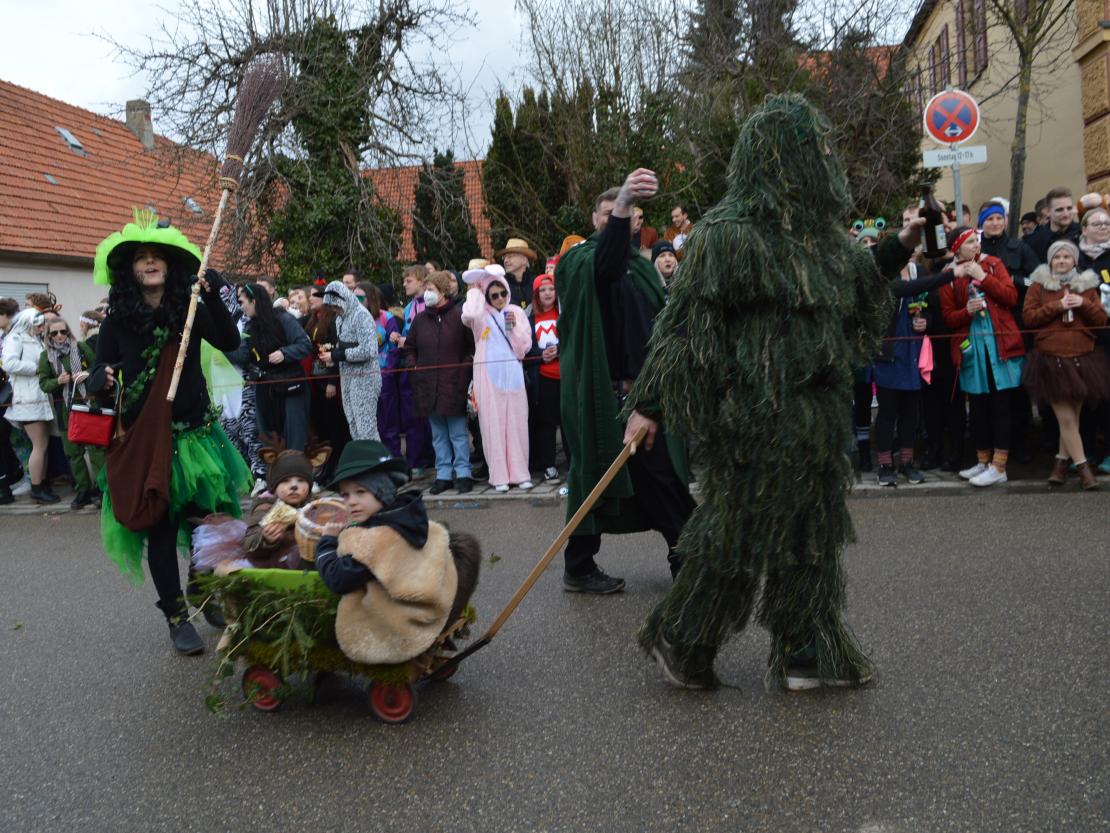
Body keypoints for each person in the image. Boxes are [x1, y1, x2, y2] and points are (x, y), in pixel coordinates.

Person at [627, 94, 923, 691]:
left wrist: (900, 246)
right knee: (739, 534)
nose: (827, 159)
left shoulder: (823, 239)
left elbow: (853, 290)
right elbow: (685, 328)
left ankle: (803, 647)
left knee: (811, 536)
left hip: (817, 415)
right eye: (814, 149)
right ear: (780, 159)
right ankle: (683, 637)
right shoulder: (726, 235)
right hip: (753, 416)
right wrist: (649, 406)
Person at [87, 211, 250, 655]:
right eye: (141, 258)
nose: (150, 262)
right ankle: (176, 615)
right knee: (160, 532)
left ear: (170, 266)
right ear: (131, 272)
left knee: (206, 525)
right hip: (147, 440)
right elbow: (97, 371)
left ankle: (202, 591)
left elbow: (231, 343)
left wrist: (214, 293)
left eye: (157, 256)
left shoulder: (190, 308)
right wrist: (100, 378)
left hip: (195, 435)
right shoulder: (117, 321)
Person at [557, 175, 697, 594]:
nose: (619, 220)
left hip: (645, 394)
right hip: (605, 398)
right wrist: (621, 202)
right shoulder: (581, 262)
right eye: (611, 213)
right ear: (597, 218)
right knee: (594, 481)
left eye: (630, 215)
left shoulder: (642, 267)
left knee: (660, 479)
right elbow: (606, 262)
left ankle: (685, 561)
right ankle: (581, 567)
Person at [315, 440, 482, 665]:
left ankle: (385, 642)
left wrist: (326, 543)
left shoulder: (377, 540)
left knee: (347, 591)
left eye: (360, 492)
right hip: (426, 603)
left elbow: (337, 579)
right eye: (345, 495)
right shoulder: (405, 514)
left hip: (401, 624)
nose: (351, 502)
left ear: (381, 491)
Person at [939, 227, 1026, 488]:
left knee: (1000, 406)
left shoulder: (993, 264)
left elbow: (1011, 297)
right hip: (970, 348)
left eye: (976, 241)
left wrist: (983, 278)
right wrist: (966, 311)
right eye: (969, 243)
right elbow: (948, 318)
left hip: (1000, 344)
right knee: (977, 408)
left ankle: (999, 467)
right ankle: (982, 460)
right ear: (957, 248)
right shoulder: (948, 275)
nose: (976, 246)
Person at [1022, 240, 1110, 489]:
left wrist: (1083, 304)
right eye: (1057, 257)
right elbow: (1029, 318)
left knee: (1074, 416)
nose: (1061, 261)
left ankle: (1060, 464)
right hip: (1051, 359)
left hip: (1084, 357)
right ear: (1050, 261)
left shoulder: (1087, 286)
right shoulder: (1038, 285)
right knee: (1067, 419)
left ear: (1074, 260)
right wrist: (1056, 306)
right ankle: (1084, 470)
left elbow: (1101, 320)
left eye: (1066, 257)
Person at [872, 252, 955, 486]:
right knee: (887, 411)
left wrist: (925, 320)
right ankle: (885, 465)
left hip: (915, 350)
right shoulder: (883, 272)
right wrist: (949, 275)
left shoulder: (920, 270)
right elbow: (900, 292)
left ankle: (907, 463)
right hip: (889, 350)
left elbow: (930, 303)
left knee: (911, 411)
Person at [977, 200, 1041, 463]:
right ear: (981, 224)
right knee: (991, 394)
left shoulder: (1019, 247)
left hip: (1015, 326)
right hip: (985, 328)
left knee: (1017, 391)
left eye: (999, 219)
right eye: (989, 219)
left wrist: (1012, 281)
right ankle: (991, 445)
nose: (995, 223)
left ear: (1005, 221)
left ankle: (1020, 444)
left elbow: (1038, 280)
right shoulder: (975, 250)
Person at [401, 270, 474, 494]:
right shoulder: (421, 319)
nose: (427, 294)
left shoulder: (459, 316)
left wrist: (463, 371)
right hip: (427, 385)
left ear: (442, 292)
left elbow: (470, 349)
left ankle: (463, 473)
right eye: (427, 289)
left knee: (458, 433)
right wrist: (414, 366)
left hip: (454, 384)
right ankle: (443, 474)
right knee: (438, 434)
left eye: (431, 290)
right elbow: (410, 347)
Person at [461, 264, 532, 492]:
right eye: (494, 294)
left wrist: (512, 329)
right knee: (492, 426)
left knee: (517, 425)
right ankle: (499, 475)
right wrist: (474, 289)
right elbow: (469, 313)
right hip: (488, 380)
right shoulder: (480, 315)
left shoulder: (516, 312)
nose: (500, 298)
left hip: (513, 378)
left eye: (503, 293)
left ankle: (521, 473)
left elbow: (524, 348)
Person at [233, 283, 313, 451]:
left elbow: (305, 344)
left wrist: (285, 353)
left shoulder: (283, 319)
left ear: (254, 301)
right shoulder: (249, 327)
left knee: (294, 438)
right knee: (269, 440)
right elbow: (243, 356)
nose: (241, 306)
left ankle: (295, 473)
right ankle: (277, 475)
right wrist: (221, 343)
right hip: (266, 389)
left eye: (242, 302)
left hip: (292, 386)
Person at [37, 316, 105, 509]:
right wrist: (57, 381)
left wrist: (87, 374)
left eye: (63, 331)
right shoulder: (46, 356)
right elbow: (43, 384)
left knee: (96, 451)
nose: (59, 336)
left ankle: (102, 490)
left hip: (88, 405)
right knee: (74, 454)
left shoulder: (81, 347)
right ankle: (83, 490)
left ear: (68, 331)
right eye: (54, 333)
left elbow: (96, 368)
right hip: (65, 411)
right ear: (48, 335)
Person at [1, 308, 57, 503]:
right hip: (27, 400)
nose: (41, 326)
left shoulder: (36, 339)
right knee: (39, 444)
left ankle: (41, 483)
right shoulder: (16, 339)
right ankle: (37, 487)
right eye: (37, 323)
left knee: (43, 445)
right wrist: (37, 369)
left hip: (39, 398)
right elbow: (8, 364)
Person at [320, 281, 382, 441]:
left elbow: (369, 350)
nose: (334, 309)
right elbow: (342, 349)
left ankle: (377, 463)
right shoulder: (339, 319)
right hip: (347, 377)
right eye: (331, 306)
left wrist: (336, 356)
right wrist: (333, 357)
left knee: (366, 427)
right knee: (353, 426)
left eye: (336, 305)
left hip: (365, 377)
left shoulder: (361, 316)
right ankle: (363, 463)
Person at [1077, 206, 1110, 473]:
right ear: (1084, 228)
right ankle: (1085, 452)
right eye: (1096, 224)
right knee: (1085, 398)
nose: (1102, 227)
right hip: (1080, 336)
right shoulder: (1073, 257)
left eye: (1106, 223)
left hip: (1107, 336)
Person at [392, 265, 434, 475]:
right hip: (411, 366)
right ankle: (417, 460)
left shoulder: (431, 304)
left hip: (428, 367)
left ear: (422, 281)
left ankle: (430, 458)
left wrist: (408, 341)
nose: (404, 284)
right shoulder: (409, 307)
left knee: (430, 416)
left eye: (409, 280)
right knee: (413, 416)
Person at [527, 273, 564, 482]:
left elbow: (572, 338)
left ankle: (573, 460)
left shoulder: (563, 314)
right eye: (543, 290)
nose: (548, 293)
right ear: (536, 295)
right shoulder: (530, 319)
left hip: (565, 376)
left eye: (551, 289)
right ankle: (548, 463)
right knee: (546, 423)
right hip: (543, 377)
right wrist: (540, 355)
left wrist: (559, 349)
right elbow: (524, 349)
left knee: (568, 422)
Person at [0, 298, 27, 504]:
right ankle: (18, 475)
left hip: (17, 393)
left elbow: (10, 363)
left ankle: (25, 477)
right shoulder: (8, 334)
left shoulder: (16, 334)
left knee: (19, 437)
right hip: (10, 392)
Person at [1025, 187, 1081, 264]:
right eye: (1060, 210)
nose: (1066, 214)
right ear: (1048, 211)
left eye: (1069, 208)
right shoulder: (1034, 241)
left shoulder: (1084, 234)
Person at [497, 238, 538, 307]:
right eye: (504, 257)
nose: (505, 261)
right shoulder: (500, 283)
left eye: (510, 256)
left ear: (524, 260)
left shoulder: (536, 282)